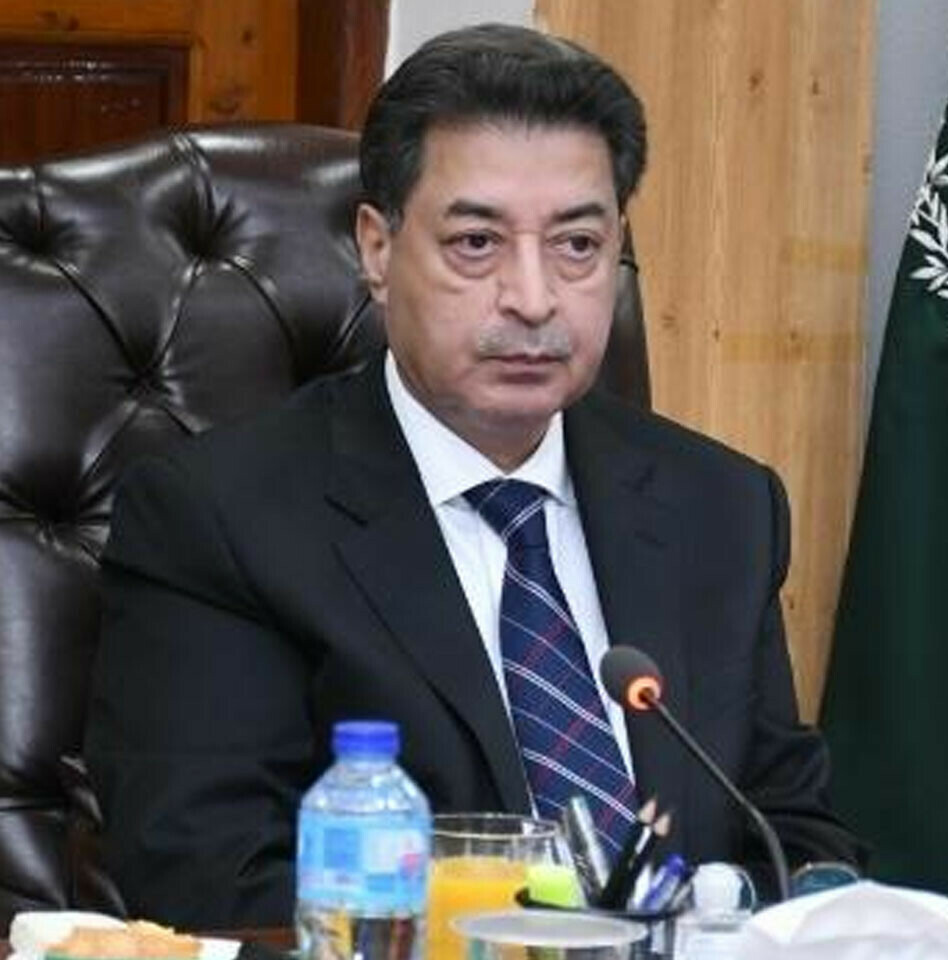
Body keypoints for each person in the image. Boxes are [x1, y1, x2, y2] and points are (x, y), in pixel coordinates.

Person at [85, 23, 863, 927]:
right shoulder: (220, 519)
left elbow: (798, 841)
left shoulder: (720, 506)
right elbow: (213, 882)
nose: (533, 298)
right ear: (377, 250)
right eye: (477, 243)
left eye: (578, 245)